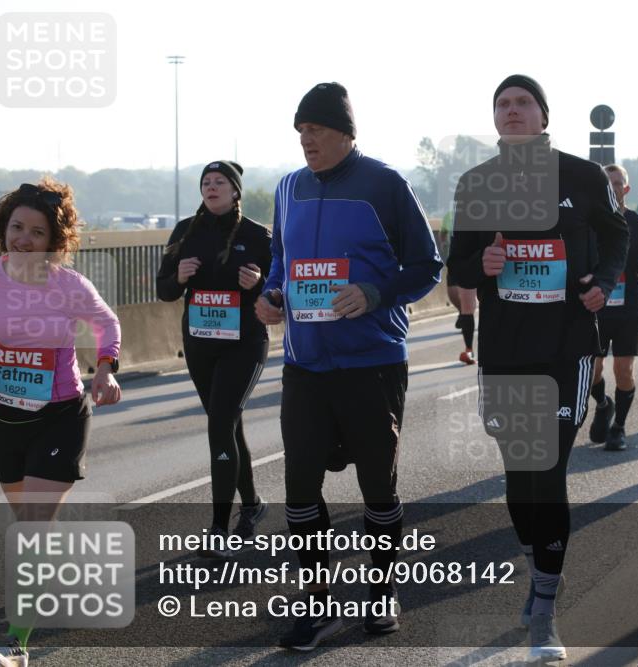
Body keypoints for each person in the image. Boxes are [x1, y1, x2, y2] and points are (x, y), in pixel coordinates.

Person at [255, 82, 442, 651]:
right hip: (305, 364)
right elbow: (280, 261)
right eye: (300, 132)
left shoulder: (384, 185)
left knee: (377, 490)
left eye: (315, 130)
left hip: (372, 361)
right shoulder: (289, 187)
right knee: (300, 492)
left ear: (344, 133)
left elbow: (426, 265)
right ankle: (318, 607)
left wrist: (375, 292)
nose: (306, 140)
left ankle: (380, 592)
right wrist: (272, 296)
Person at [447, 74, 628, 661]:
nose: (513, 110)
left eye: (524, 102)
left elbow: (617, 236)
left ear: (544, 115)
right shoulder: (477, 184)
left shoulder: (580, 176)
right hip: (504, 349)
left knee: (545, 471)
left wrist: (603, 282)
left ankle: (544, 616)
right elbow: (458, 272)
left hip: (566, 346)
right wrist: (486, 260)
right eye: (503, 104)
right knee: (518, 479)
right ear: (494, 118)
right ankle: (537, 569)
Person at [0, 179, 122, 667]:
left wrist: (105, 368)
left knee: (32, 529)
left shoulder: (68, 285)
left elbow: (108, 325)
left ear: (55, 241)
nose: (24, 239)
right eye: (17, 227)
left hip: (59, 415)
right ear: (3, 229)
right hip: (1, 417)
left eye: (37, 232)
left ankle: (17, 647)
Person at [156, 161, 272, 555]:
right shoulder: (185, 231)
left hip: (245, 343)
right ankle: (253, 507)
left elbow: (279, 292)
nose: (212, 187)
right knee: (227, 424)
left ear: (236, 191)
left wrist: (258, 285)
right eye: (206, 182)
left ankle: (219, 527)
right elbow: (164, 291)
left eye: (220, 182)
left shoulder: (259, 235)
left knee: (221, 423)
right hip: (200, 343)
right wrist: (181, 278)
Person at [588, 164, 638, 451]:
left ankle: (619, 426)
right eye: (607, 183)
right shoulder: (586, 222)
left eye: (618, 183)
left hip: (628, 308)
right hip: (594, 307)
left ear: (626, 188)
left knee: (623, 370)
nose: (612, 187)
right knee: (592, 372)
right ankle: (603, 403)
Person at [439, 210, 478, 364]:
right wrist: (443, 244)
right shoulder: (450, 215)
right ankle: (462, 315)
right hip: (455, 262)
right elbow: (442, 233)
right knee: (454, 296)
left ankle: (469, 350)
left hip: (473, 263)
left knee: (467, 305)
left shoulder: (482, 213)